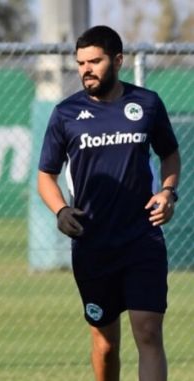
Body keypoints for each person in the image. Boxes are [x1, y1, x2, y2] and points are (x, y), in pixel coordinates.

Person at [37, 25, 180, 381]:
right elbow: (45, 176)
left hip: (142, 237)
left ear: (118, 60)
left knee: (148, 332)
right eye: (81, 62)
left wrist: (168, 192)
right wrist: (60, 210)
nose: (86, 69)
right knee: (105, 344)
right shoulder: (65, 114)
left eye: (95, 61)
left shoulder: (147, 104)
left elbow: (170, 153)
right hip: (93, 243)